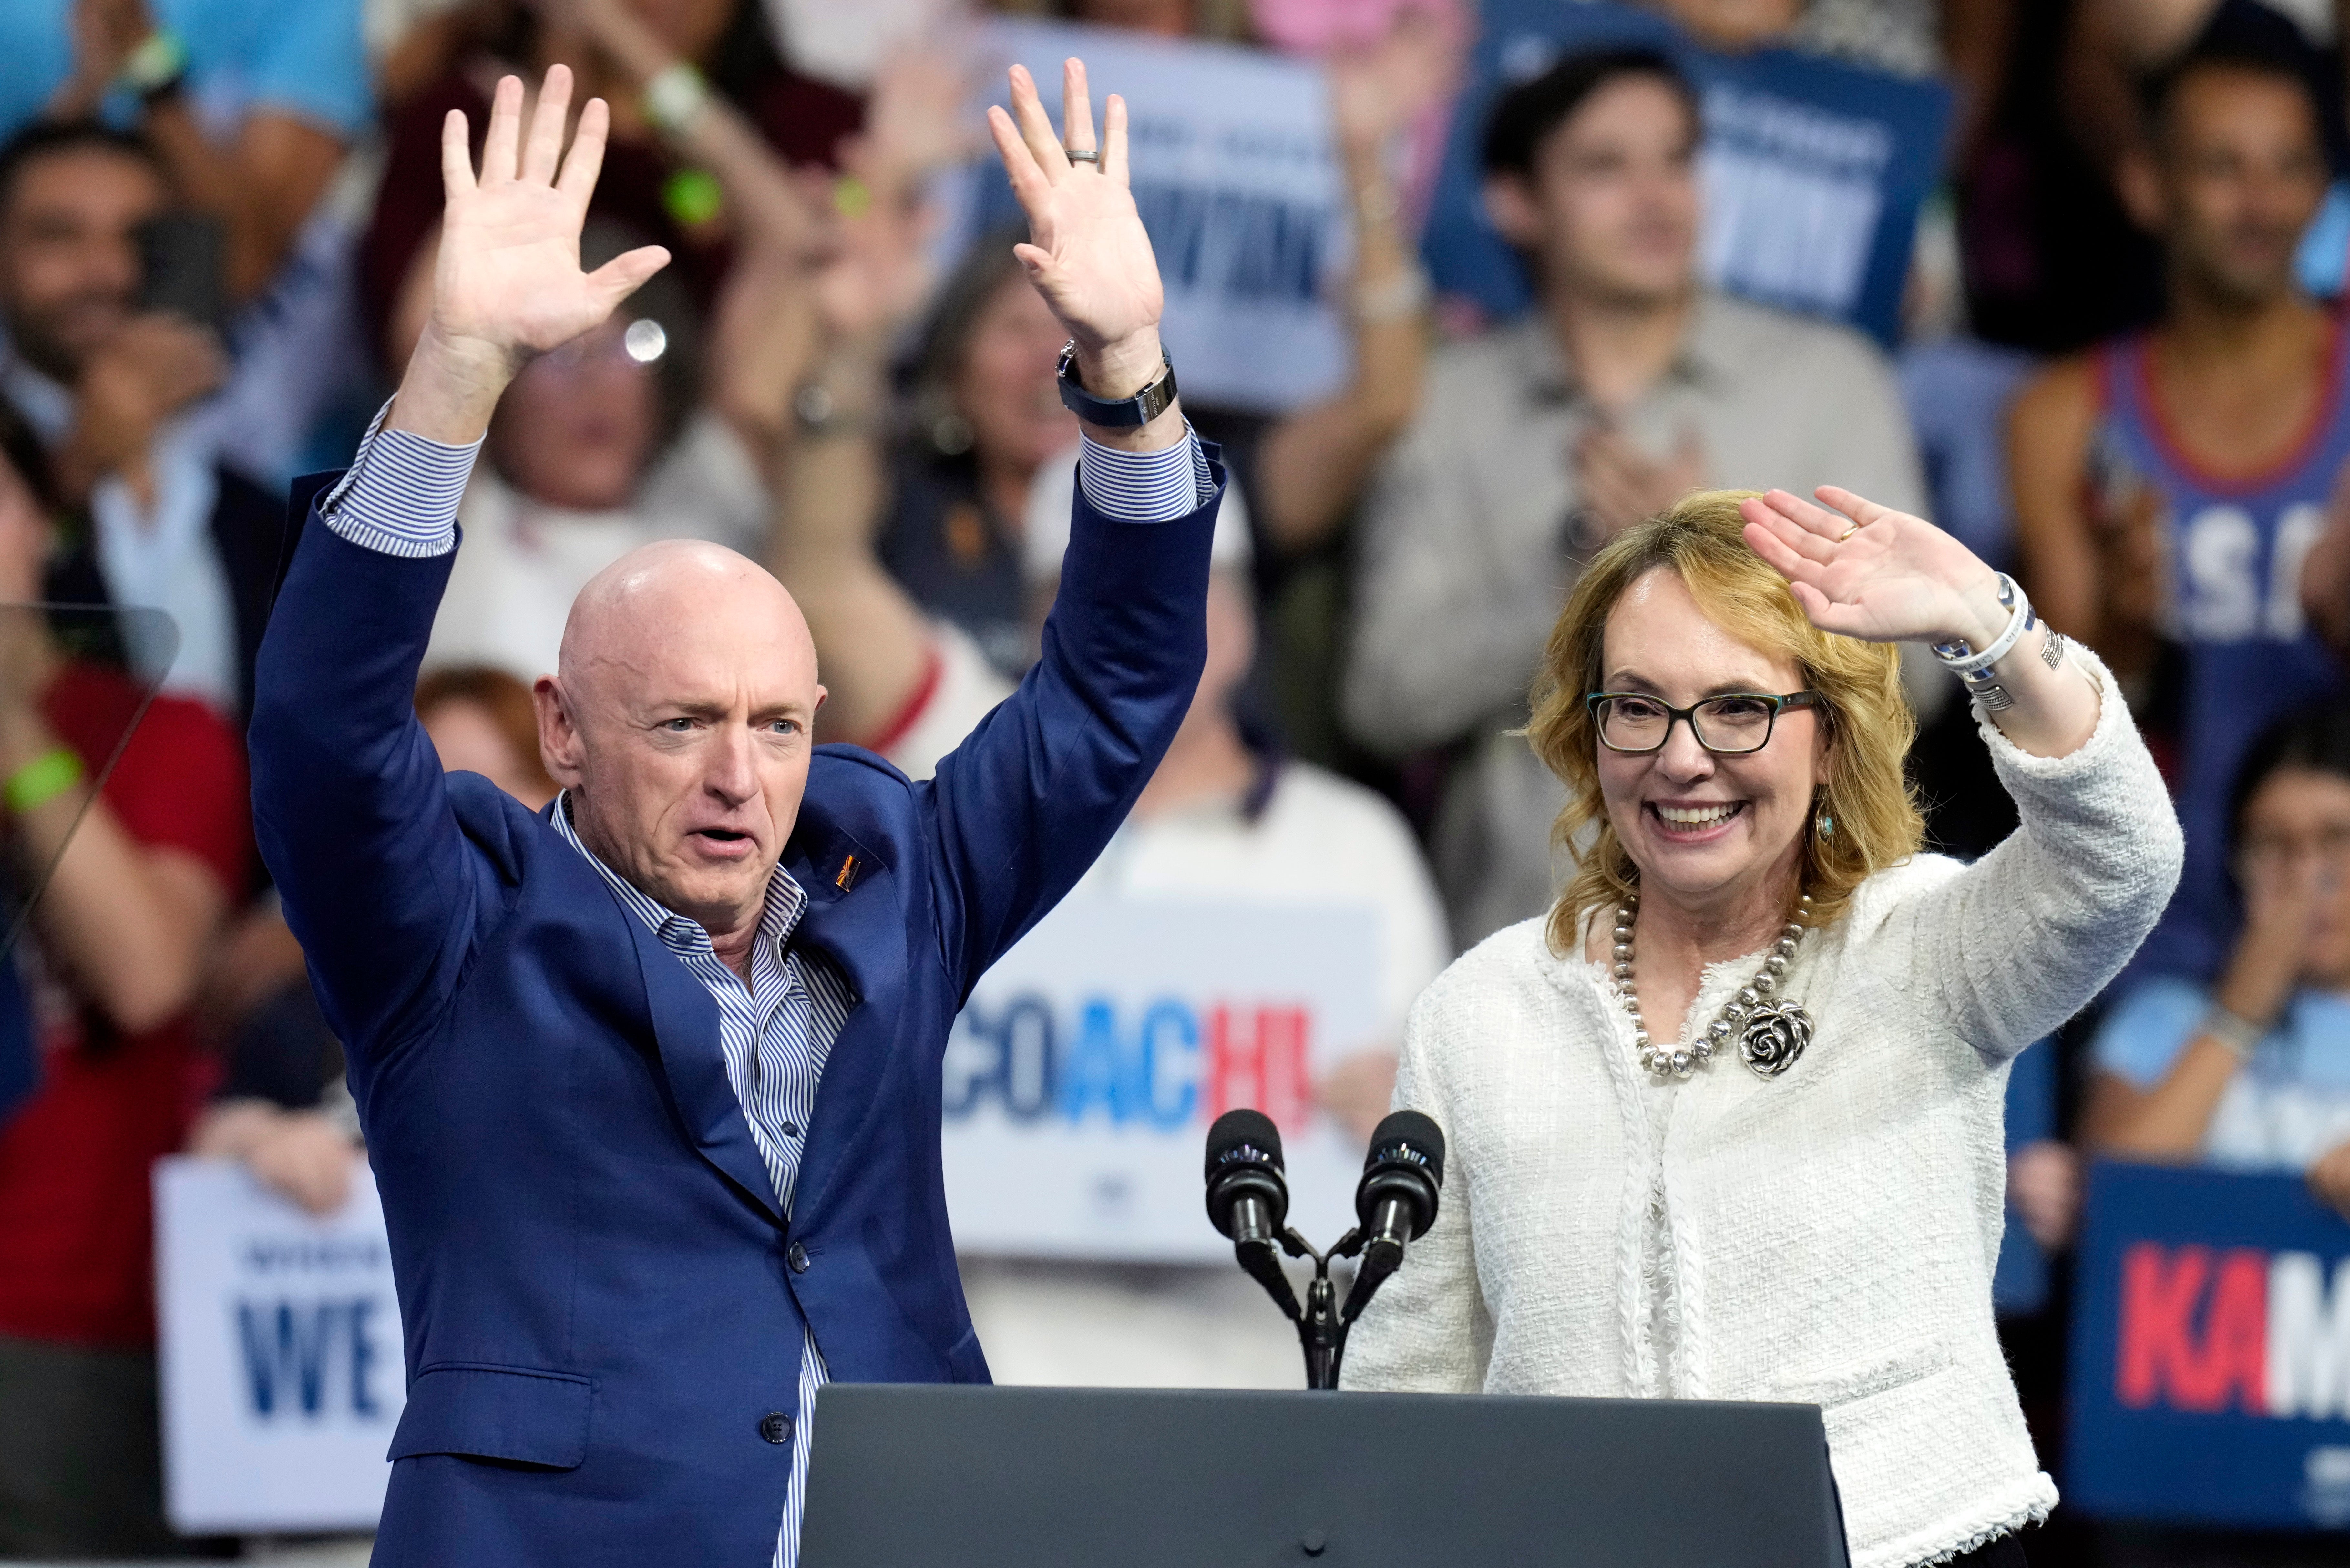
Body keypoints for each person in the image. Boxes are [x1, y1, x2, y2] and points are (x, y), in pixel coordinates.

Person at [250, 56, 1221, 1567]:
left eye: (777, 726)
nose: (737, 777)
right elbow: (321, 729)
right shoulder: (451, 923)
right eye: (683, 724)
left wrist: (1131, 367)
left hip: (905, 1532)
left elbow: (1110, 692)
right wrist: (455, 373)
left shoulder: (901, 871)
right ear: (561, 731)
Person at [1341, 483, 2183, 1568]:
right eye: (1637, 705)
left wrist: (1988, 621)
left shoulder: (1922, 944)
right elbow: (1408, 1385)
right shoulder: (1481, 1011)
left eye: (1740, 706)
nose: (1683, 756)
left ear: (1830, 739)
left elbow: (2123, 859)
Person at [1341, 47, 1925, 950]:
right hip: (1527, 950)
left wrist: (1711, 570)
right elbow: (1381, 699)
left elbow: (1917, 678)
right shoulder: (1450, 403)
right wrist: (1582, 581)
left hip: (1796, 954)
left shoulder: (1830, 381)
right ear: (1516, 202)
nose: (1658, 197)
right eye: (1606, 166)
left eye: (1679, 159)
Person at [2012, 36, 2346, 986]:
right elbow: (2054, 739)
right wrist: (2126, 623)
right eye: (2222, 166)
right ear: (2147, 185)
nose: (2260, 201)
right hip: (2147, 936)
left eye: (2291, 167)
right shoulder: (2061, 415)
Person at [0, 401, 248, 1555]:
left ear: (45, 519)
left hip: (77, 1328)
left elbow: (147, 972)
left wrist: (9, 722)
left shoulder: (163, 727)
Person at [190, 666, 557, 1218]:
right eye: (442, 787)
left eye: (511, 778)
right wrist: (263, 1139)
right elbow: (210, 1147)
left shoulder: (632, 983)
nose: (482, 813)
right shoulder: (318, 996)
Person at [0, 120, 281, 720]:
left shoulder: (257, 518)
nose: (105, 271)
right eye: (59, 236)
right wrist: (76, 465)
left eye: (138, 239)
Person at [2084, 702, 2350, 1213]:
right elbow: (2115, 1209)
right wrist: (2239, 1014)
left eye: (2337, 841)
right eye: (2273, 845)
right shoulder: (2161, 1018)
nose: (2306, 878)